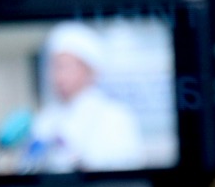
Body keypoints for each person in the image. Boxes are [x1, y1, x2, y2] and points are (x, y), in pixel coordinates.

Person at [29, 21, 144, 172]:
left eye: (65, 67)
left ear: (90, 71)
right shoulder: (45, 119)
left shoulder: (115, 117)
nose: (58, 76)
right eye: (55, 67)